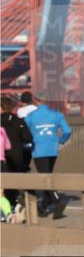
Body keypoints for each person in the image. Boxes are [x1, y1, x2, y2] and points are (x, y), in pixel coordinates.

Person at [24, 93, 72, 219]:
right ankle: (43, 207)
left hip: (39, 150)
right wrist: (60, 141)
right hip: (52, 149)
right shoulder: (57, 114)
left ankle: (58, 202)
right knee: (47, 176)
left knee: (44, 178)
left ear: (35, 100)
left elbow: (24, 133)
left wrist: (27, 144)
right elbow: (67, 131)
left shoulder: (31, 116)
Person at [1, 95, 33, 223]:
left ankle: (7, 211)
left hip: (3, 157)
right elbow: (28, 138)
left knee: (3, 186)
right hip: (18, 156)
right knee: (15, 182)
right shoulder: (19, 121)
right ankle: (17, 205)